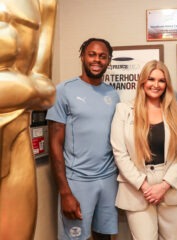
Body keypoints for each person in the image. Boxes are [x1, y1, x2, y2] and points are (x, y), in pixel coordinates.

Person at [46, 38, 120, 240]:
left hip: (108, 179)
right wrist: (65, 192)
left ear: (108, 61)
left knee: (104, 236)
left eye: (103, 56)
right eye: (92, 54)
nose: (97, 60)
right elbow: (54, 143)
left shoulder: (113, 94)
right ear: (82, 57)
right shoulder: (64, 91)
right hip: (77, 181)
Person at [110, 60, 177, 240]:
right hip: (137, 186)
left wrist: (164, 185)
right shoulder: (124, 110)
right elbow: (120, 153)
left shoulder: (176, 110)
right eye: (151, 79)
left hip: (170, 185)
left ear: (166, 84)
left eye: (161, 80)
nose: (156, 85)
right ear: (142, 82)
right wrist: (144, 186)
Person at [0, 0, 57, 239]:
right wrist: (28, 89)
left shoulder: (45, 3)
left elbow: (47, 88)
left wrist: (23, 90)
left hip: (17, 136)